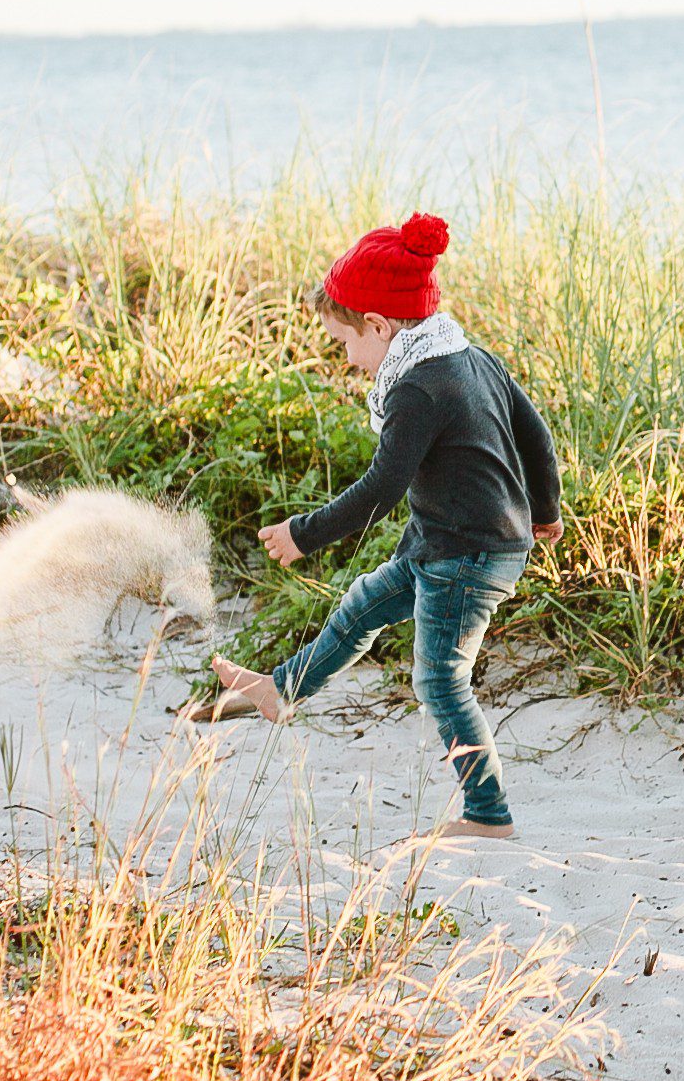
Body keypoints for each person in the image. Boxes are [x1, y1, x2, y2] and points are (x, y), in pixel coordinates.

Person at [191, 213, 563, 842]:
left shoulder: (418, 389)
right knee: (362, 604)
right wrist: (546, 509)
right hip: (449, 542)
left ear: (379, 326)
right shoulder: (468, 357)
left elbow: (381, 489)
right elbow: (536, 436)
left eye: (344, 342)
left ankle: (487, 814)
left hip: (467, 555)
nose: (346, 358)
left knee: (440, 678)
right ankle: (281, 691)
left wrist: (302, 533)